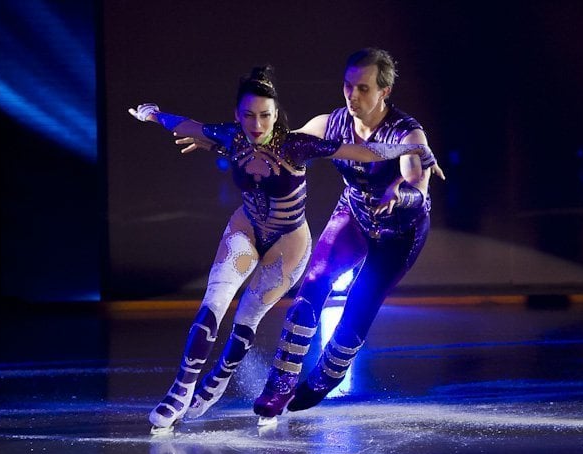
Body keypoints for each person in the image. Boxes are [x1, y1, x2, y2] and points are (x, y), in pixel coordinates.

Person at [129, 65, 435, 433]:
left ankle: (237, 378)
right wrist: (153, 114)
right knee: (217, 305)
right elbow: (187, 125)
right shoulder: (237, 136)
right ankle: (184, 390)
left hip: (332, 239)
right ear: (237, 116)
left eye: (265, 116)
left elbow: (374, 157)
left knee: (268, 316)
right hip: (265, 226)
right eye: (248, 116)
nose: (256, 125)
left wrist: (413, 151)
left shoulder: (305, 143)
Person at [249, 48, 444, 418]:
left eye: (363, 89)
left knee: (360, 303)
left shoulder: (406, 131)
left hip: (400, 234)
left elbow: (418, 186)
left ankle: (325, 378)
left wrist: (398, 193)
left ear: (384, 92)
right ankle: (280, 382)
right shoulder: (331, 124)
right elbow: (282, 143)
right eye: (348, 86)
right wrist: (240, 138)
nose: (353, 96)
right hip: (353, 215)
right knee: (315, 281)